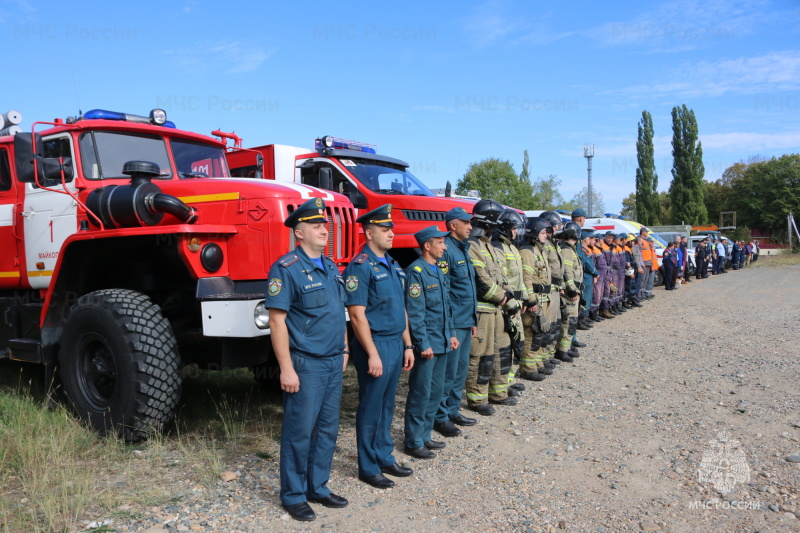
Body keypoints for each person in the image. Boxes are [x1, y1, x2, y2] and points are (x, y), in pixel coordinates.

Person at [266, 198, 349, 522]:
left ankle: (318, 487)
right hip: (306, 364)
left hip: (332, 362)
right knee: (299, 432)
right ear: (298, 232)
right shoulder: (286, 269)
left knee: (327, 430)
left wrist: (344, 347)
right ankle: (293, 494)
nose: (323, 229)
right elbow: (276, 321)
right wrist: (286, 368)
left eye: (324, 225)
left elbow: (337, 312)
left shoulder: (330, 267)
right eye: (316, 225)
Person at [343, 205, 415, 489]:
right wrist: (372, 353)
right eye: (386, 230)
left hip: (396, 343)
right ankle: (368, 466)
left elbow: (402, 308)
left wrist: (408, 344)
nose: (392, 234)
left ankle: (384, 455)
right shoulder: (360, 266)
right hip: (376, 345)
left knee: (386, 405)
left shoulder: (393, 264)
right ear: (369, 233)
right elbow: (357, 315)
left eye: (392, 229)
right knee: (371, 407)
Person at [404, 226, 459, 459]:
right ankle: (413, 440)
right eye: (440, 242)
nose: (445, 246)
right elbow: (415, 313)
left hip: (443, 340)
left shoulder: (437, 270)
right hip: (427, 345)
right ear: (427, 245)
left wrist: (452, 333)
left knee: (436, 391)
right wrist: (422, 343)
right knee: (421, 392)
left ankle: (425, 435)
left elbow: (446, 307)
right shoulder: (416, 271)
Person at [465, 199, 519, 416]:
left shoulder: (489, 245)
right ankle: (477, 399)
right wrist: (504, 299)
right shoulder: (472, 245)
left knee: (502, 352)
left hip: (498, 310)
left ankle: (498, 393)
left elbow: (502, 277)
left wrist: (509, 299)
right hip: (484, 310)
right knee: (481, 356)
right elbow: (482, 281)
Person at [434, 207, 478, 437]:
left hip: (465, 320)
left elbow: (467, 289)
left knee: (460, 371)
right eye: (466, 222)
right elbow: (444, 292)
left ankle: (452, 410)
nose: (470, 226)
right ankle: (439, 416)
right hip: (453, 323)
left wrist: (472, 319)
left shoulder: (463, 249)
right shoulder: (447, 251)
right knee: (448, 372)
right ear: (453, 225)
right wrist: (449, 326)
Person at [492, 209, 529, 393]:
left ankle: (509, 379)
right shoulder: (498, 248)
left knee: (517, 342)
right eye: (513, 228)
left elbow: (520, 278)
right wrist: (510, 304)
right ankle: (501, 384)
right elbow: (503, 281)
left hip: (517, 304)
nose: (516, 232)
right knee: (506, 346)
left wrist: (525, 299)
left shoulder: (513, 248)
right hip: (506, 306)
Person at [518, 217, 553, 380]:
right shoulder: (527, 251)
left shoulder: (539, 249)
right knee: (532, 332)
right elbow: (526, 278)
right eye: (543, 232)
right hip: (536, 299)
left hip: (544, 298)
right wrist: (530, 300)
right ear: (534, 233)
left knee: (541, 332)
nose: (546, 236)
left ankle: (537, 363)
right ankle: (527, 367)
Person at [555, 222, 584, 361]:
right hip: (569, 292)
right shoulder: (567, 250)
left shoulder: (571, 249)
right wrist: (572, 290)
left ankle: (565, 348)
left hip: (574, 290)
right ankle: (561, 350)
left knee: (571, 322)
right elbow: (567, 272)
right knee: (568, 322)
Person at [638, 228, 653, 300]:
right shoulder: (640, 240)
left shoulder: (645, 241)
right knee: (642, 280)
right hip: (643, 263)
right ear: (643, 232)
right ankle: (640, 295)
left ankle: (643, 294)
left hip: (647, 262)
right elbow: (638, 252)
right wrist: (641, 263)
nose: (647, 233)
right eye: (646, 231)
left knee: (645, 280)